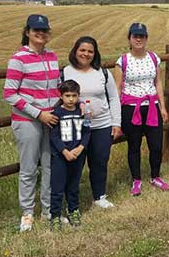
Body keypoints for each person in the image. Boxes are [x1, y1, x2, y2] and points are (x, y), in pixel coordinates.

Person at [3, 14, 60, 232]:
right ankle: (27, 213)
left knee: (49, 167)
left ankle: (47, 211)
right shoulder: (18, 59)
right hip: (27, 120)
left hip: (51, 119)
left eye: (44, 30)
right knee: (28, 168)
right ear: (27, 32)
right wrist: (38, 113)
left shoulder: (52, 57)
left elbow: (56, 87)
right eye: (36, 30)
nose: (40, 34)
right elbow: (9, 93)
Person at [61, 36, 122, 208]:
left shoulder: (102, 73)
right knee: (74, 164)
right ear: (75, 51)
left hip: (101, 125)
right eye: (82, 50)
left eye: (90, 51)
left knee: (100, 161)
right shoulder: (66, 72)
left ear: (95, 54)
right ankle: (71, 202)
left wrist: (116, 123)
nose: (86, 54)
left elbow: (113, 98)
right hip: (75, 127)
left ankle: (99, 196)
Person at [114, 23, 169, 196]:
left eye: (142, 36)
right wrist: (115, 115)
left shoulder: (154, 58)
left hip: (152, 107)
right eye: (135, 36)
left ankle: (155, 176)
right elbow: (117, 88)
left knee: (155, 145)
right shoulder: (122, 61)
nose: (139, 39)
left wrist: (162, 107)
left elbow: (158, 83)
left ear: (146, 38)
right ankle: (136, 180)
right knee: (134, 145)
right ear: (129, 38)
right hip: (131, 108)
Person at [49, 80, 91, 231]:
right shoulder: (56, 114)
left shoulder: (83, 112)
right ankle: (55, 215)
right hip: (61, 156)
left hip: (78, 154)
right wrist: (64, 151)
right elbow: (53, 136)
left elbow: (87, 132)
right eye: (67, 95)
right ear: (61, 96)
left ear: (79, 95)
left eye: (74, 95)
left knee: (74, 185)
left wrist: (80, 148)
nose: (71, 99)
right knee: (57, 187)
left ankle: (73, 210)